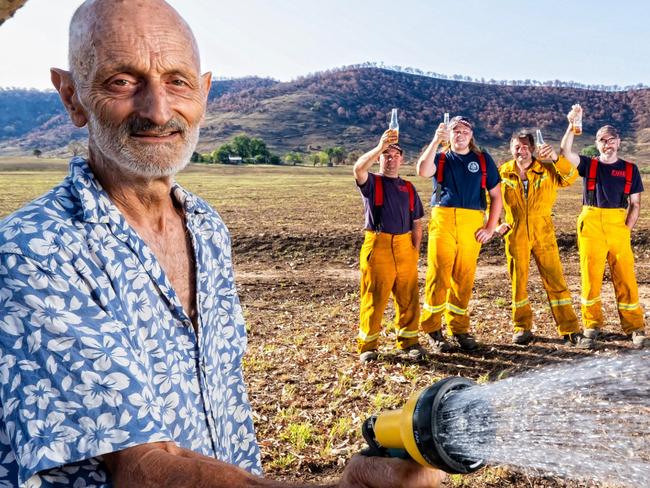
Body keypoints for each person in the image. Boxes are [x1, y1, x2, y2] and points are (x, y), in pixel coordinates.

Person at [0, 1, 446, 487]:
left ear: (205, 92)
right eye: (122, 82)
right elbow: (143, 470)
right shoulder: (35, 250)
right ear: (71, 95)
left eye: (178, 81)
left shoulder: (207, 228)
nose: (158, 111)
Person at [560, 106, 648, 348]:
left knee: (626, 277)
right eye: (602, 140)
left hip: (617, 225)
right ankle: (592, 325)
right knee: (591, 276)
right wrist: (571, 125)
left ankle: (634, 327)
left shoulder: (630, 169)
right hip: (591, 224)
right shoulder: (589, 165)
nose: (607, 144)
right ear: (597, 143)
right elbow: (565, 150)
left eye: (611, 139)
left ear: (618, 142)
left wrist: (626, 229)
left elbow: (636, 204)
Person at [497, 130, 593, 348]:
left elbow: (571, 178)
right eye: (516, 146)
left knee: (555, 280)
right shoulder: (503, 172)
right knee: (518, 281)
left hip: (543, 231)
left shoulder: (547, 168)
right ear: (511, 148)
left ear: (532, 148)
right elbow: (490, 199)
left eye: (524, 146)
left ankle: (569, 329)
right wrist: (496, 223)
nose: (520, 150)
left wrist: (556, 159)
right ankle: (522, 327)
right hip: (515, 232)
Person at [416, 116, 503, 351]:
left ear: (471, 134)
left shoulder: (483, 160)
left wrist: (490, 228)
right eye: (455, 130)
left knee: (464, 277)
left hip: (472, 223)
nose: (460, 134)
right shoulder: (441, 157)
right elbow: (423, 171)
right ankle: (433, 329)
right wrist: (436, 140)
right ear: (450, 134)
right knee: (439, 275)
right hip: (443, 220)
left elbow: (496, 196)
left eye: (465, 130)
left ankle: (459, 328)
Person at [353, 132, 426, 363]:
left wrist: (415, 250)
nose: (391, 158)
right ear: (380, 159)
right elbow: (358, 169)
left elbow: (417, 222)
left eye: (395, 155)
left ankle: (409, 342)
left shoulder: (408, 187)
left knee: (408, 296)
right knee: (375, 296)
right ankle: (368, 346)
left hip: (405, 246)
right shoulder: (372, 182)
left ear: (402, 160)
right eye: (386, 155)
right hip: (379, 243)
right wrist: (379, 146)